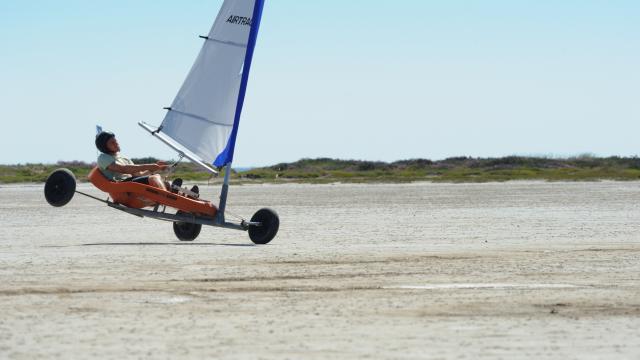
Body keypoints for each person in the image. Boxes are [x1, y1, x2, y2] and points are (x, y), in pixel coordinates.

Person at [95, 131, 171, 190]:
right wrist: (148, 166)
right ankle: (167, 197)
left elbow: (139, 175)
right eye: (112, 142)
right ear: (104, 146)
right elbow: (123, 169)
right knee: (154, 178)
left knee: (165, 183)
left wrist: (154, 168)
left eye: (116, 141)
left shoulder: (124, 158)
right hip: (122, 186)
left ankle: (180, 201)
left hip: (132, 183)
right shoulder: (103, 158)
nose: (116, 143)